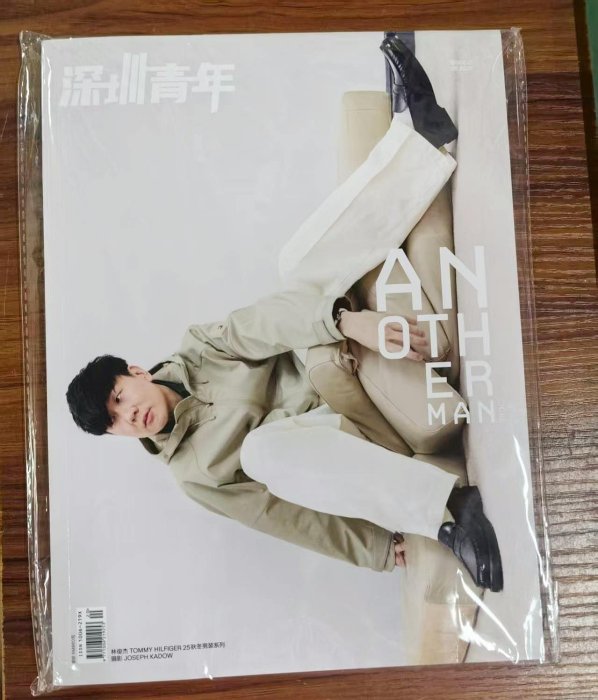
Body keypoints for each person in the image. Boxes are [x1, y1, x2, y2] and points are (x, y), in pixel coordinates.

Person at [66, 37, 503, 592]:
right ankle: (449, 513)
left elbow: (266, 323)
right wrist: (372, 548)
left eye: (119, 398)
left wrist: (346, 322)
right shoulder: (193, 473)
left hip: (344, 359)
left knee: (294, 264)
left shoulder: (198, 349)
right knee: (261, 451)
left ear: (133, 373)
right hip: (355, 435)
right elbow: (276, 516)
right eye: (116, 422)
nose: (130, 415)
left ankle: (422, 139)